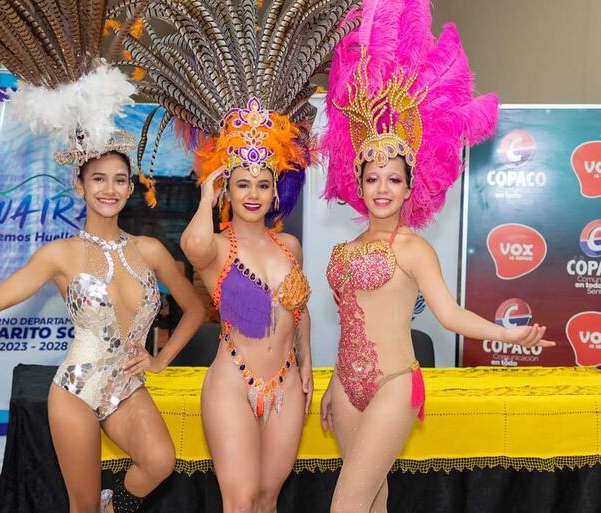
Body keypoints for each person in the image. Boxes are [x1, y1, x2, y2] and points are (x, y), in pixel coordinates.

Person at [0, 2, 205, 512]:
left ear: (130, 187)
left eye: (119, 180)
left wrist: (160, 359)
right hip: (74, 389)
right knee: (79, 506)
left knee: (159, 462)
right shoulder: (60, 254)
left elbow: (198, 308)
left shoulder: (151, 250)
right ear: (80, 185)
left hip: (126, 385)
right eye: (99, 179)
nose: (110, 189)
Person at [116, 1, 360, 511]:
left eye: (262, 184)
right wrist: (208, 191)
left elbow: (300, 312)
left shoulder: (288, 246)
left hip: (288, 385)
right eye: (242, 184)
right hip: (232, 383)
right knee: (240, 496)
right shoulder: (215, 247)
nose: (252, 193)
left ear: (276, 192)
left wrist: (309, 366)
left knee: (269, 497)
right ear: (230, 189)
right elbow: (189, 245)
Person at [319, 1, 555, 512]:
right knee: (373, 502)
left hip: (394, 386)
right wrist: (332, 388)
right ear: (358, 184)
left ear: (409, 188)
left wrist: (508, 334)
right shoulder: (344, 249)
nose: (382, 188)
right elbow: (349, 324)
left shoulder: (412, 247)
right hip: (345, 387)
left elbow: (448, 315)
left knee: (346, 504)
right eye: (372, 177)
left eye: (394, 179)